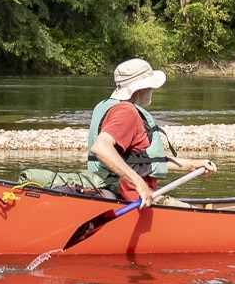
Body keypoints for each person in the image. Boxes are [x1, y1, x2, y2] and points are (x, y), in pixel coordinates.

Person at [86, 58, 215, 204]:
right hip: (133, 199)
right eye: (151, 86)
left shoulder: (106, 106)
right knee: (195, 216)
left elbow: (141, 161)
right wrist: (138, 183)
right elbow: (100, 148)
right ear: (142, 88)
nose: (153, 90)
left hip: (117, 193)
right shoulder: (126, 112)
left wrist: (192, 165)